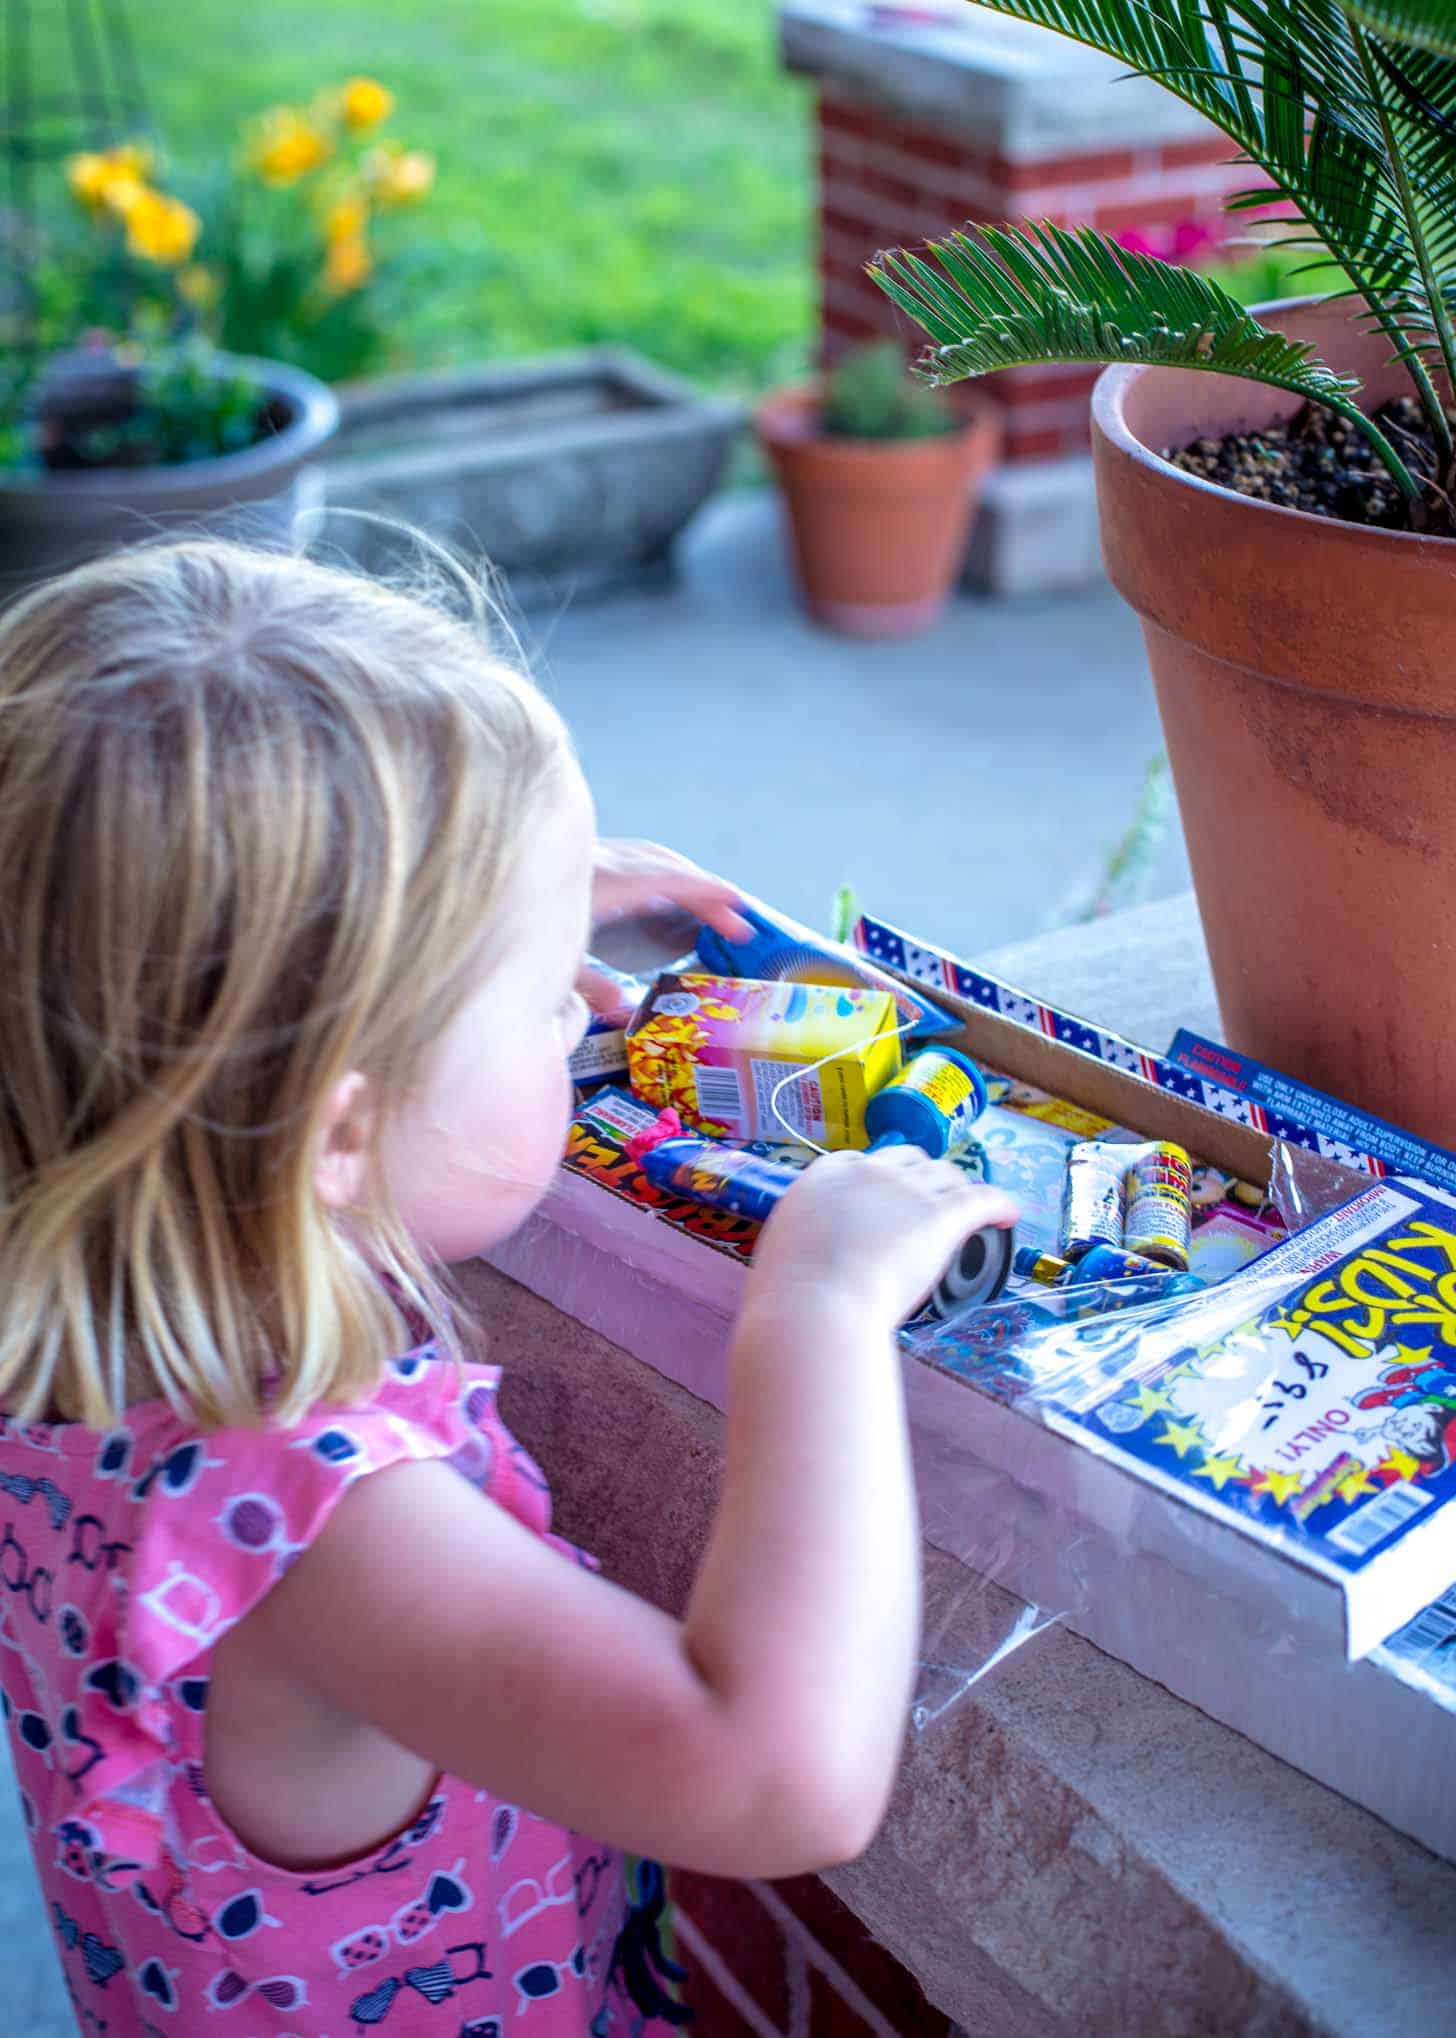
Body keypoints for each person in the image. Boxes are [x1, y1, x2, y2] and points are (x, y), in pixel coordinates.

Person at [0, 541, 1018, 2037]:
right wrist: (816, 1314)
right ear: (337, 1132)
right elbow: (779, 1776)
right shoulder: (315, 1524)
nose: (589, 1004)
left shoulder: (77, 1281)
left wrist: (509, 915)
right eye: (544, 994)